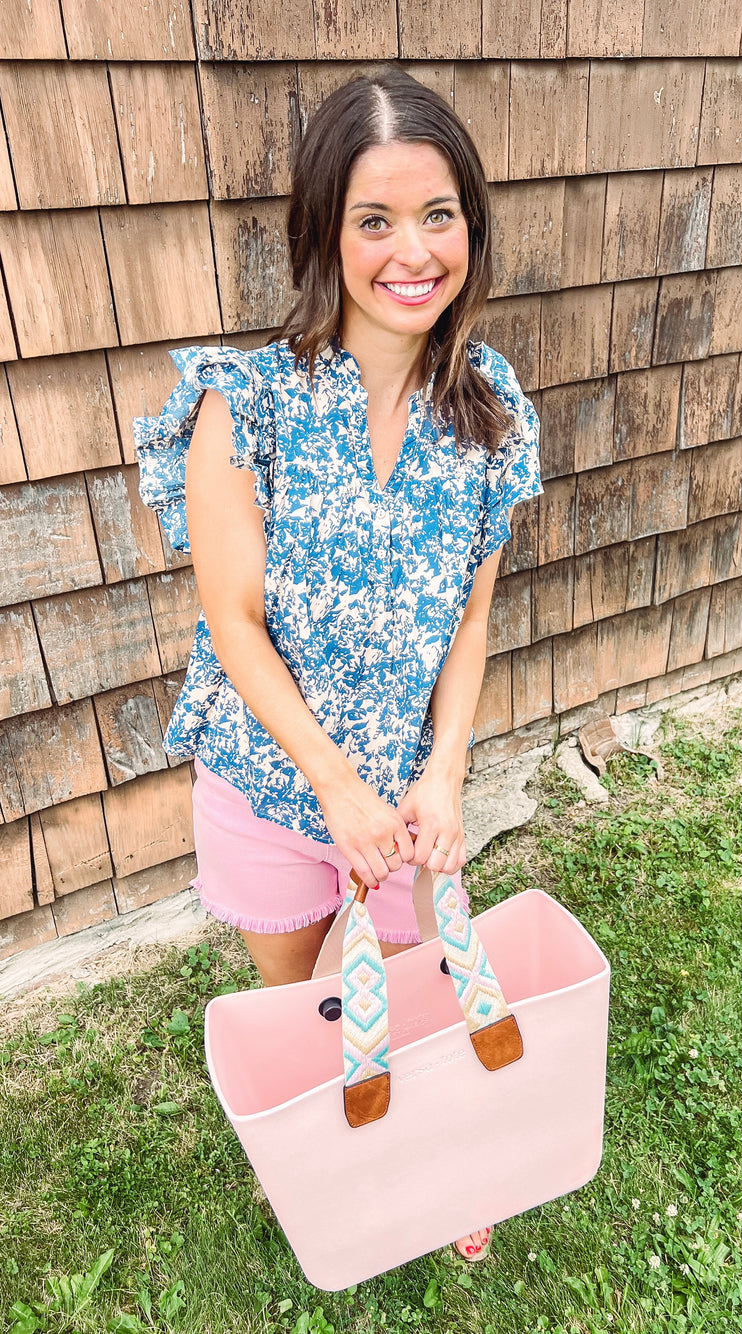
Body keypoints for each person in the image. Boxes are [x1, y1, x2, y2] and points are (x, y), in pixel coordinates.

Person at [135, 67, 542, 1265]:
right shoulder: (242, 403)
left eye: (437, 215)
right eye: (374, 218)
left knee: (412, 996)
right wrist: (329, 781)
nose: (410, 250)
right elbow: (233, 624)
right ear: (325, 233)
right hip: (273, 786)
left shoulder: (488, 413)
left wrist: (447, 768)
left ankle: (431, 1160)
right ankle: (320, 1163)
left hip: (408, 797)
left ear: (468, 223)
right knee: (308, 1005)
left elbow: (470, 618)